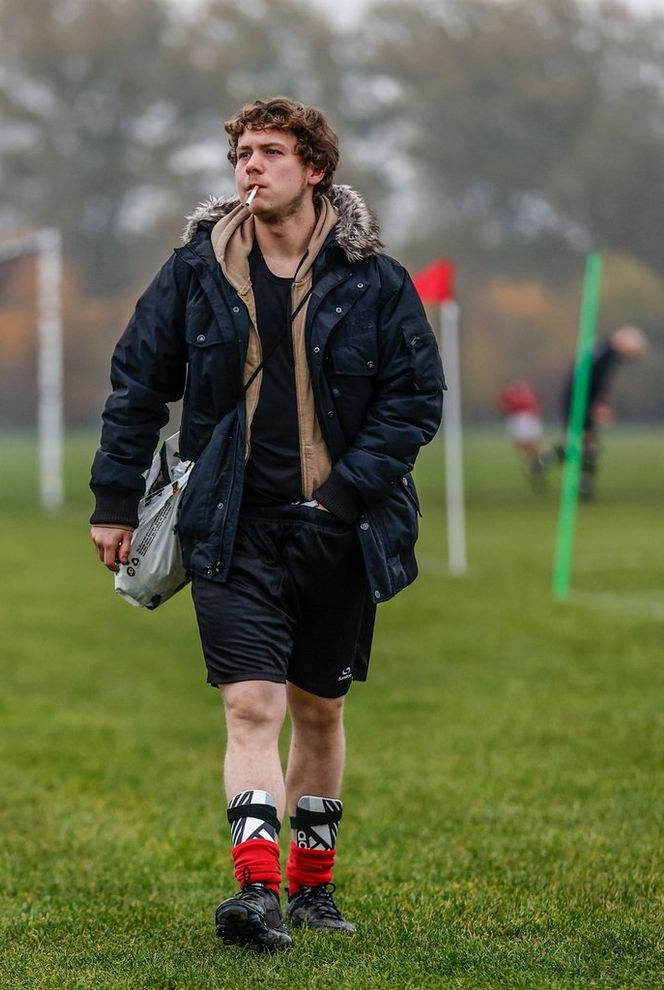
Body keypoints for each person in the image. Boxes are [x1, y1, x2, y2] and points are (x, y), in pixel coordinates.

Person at [89, 97, 445, 953]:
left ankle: (312, 889)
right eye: (243, 153)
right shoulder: (195, 271)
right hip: (230, 524)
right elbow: (139, 381)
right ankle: (256, 894)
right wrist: (112, 499)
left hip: (339, 528)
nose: (251, 166)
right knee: (252, 706)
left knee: (320, 714)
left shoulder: (375, 281)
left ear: (313, 168)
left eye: (271, 152)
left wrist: (347, 495)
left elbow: (416, 400)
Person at [537, 325, 648, 498]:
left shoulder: (602, 350)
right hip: (580, 400)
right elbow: (595, 380)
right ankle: (547, 464)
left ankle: (578, 480)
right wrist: (600, 404)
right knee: (580, 443)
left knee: (586, 443)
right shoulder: (607, 354)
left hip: (580, 398)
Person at [494, 379, 545, 488]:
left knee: (529, 445)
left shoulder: (523, 392)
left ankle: (534, 464)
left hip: (526, 419)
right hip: (521, 419)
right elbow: (500, 402)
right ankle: (534, 464)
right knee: (526, 446)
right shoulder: (513, 393)